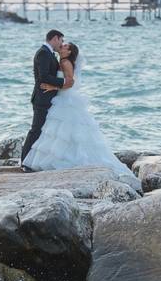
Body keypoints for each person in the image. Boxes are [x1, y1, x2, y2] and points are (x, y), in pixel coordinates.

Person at [21, 41, 138, 183]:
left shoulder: (65, 63)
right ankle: (62, 157)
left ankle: (70, 160)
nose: (62, 46)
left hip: (65, 99)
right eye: (62, 44)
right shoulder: (62, 60)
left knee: (65, 131)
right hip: (61, 99)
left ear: (69, 52)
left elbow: (71, 83)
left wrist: (53, 87)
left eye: (65, 46)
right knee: (62, 132)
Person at [20, 29, 67, 170]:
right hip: (42, 98)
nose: (62, 44)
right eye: (61, 40)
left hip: (47, 98)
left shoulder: (48, 53)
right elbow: (43, 77)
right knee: (36, 130)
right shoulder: (43, 53)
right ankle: (24, 162)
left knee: (44, 131)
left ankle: (35, 161)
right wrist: (64, 82)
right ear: (55, 38)